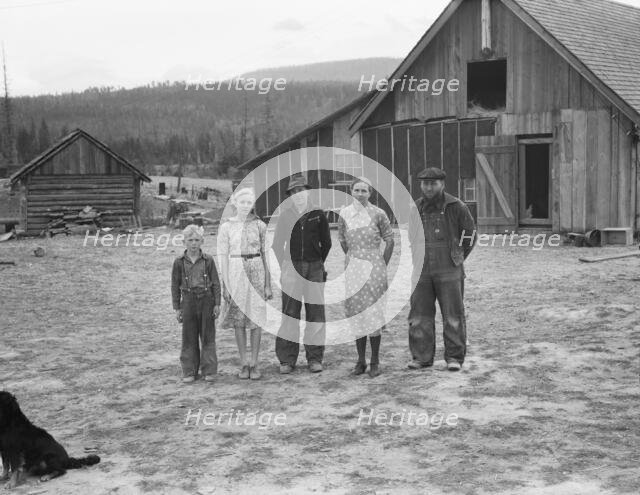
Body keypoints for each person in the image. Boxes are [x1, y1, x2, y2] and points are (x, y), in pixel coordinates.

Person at [408, 167, 476, 372]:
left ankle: (454, 357)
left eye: (433, 183)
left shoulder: (456, 206)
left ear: (442, 184)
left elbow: (470, 235)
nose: (428, 188)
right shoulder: (416, 208)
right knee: (419, 316)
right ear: (420, 185)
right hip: (421, 270)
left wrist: (457, 256)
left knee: (453, 315)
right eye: (425, 184)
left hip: (449, 269)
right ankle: (421, 357)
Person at [272, 175, 331, 374]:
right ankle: (287, 360)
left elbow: (327, 243)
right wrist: (287, 266)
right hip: (291, 267)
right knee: (290, 314)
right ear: (290, 196)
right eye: (294, 192)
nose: (298, 195)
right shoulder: (285, 215)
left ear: (307, 191)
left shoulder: (318, 214)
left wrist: (317, 262)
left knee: (315, 314)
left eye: (301, 191)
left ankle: (315, 358)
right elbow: (277, 245)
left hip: (314, 268)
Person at [338, 177, 394, 378]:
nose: (360, 194)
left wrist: (380, 263)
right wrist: (354, 257)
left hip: (374, 267)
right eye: (357, 190)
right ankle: (360, 360)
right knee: (357, 313)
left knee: (373, 313)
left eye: (364, 190)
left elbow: (389, 240)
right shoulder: (345, 213)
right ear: (351, 191)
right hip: (353, 267)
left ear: (370, 193)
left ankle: (375, 361)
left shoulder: (378, 213)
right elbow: (342, 240)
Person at [217, 188, 272, 380]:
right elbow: (222, 256)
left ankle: (255, 363)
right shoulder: (226, 227)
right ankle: (244, 363)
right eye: (242, 202)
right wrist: (225, 284)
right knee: (238, 319)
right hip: (235, 269)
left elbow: (266, 255)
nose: (246, 206)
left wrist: (267, 284)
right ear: (235, 203)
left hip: (256, 268)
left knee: (256, 319)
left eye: (249, 202)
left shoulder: (260, 225)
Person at [171, 224, 221, 383]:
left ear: (202, 241)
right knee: (189, 337)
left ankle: (209, 370)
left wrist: (217, 303)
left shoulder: (208, 260)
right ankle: (189, 370)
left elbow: (216, 283)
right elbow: (174, 285)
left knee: (208, 336)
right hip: (187, 301)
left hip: (206, 299)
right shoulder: (179, 262)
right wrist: (177, 307)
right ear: (184, 241)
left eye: (197, 240)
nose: (193, 243)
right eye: (190, 240)